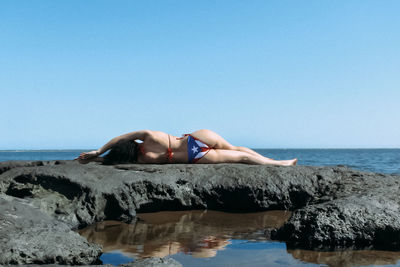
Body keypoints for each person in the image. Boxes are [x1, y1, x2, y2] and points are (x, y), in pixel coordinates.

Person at [75, 129, 297, 166]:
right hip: (193, 138)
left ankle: (278, 163)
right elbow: (118, 138)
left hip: (193, 157)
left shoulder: (141, 160)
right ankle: (276, 162)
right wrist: (98, 150)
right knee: (237, 149)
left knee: (239, 157)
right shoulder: (148, 136)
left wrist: (95, 158)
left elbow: (112, 160)